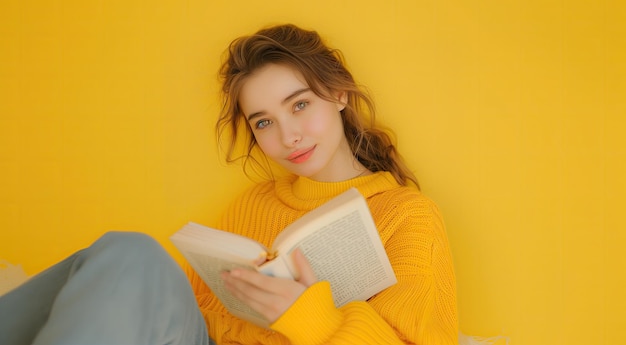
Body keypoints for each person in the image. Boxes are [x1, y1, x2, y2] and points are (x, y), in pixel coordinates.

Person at [0, 24, 458, 345]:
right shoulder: (253, 204)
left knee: (129, 256)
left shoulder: (407, 215)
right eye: (264, 122)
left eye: (299, 105)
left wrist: (302, 316)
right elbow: (203, 315)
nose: (287, 136)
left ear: (339, 93)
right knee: (124, 253)